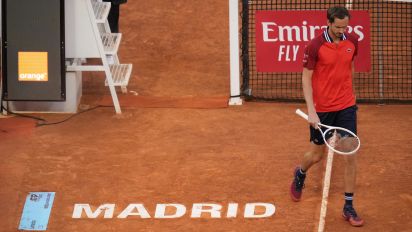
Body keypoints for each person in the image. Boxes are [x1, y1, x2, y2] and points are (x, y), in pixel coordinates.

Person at [290, 6, 364, 227]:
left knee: (350, 152)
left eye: (345, 26)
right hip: (322, 109)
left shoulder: (352, 41)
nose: (342, 31)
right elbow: (306, 78)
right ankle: (300, 173)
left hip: (346, 105)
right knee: (316, 155)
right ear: (329, 23)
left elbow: (350, 67)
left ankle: (348, 206)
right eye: (338, 27)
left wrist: (352, 93)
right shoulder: (315, 46)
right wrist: (311, 110)